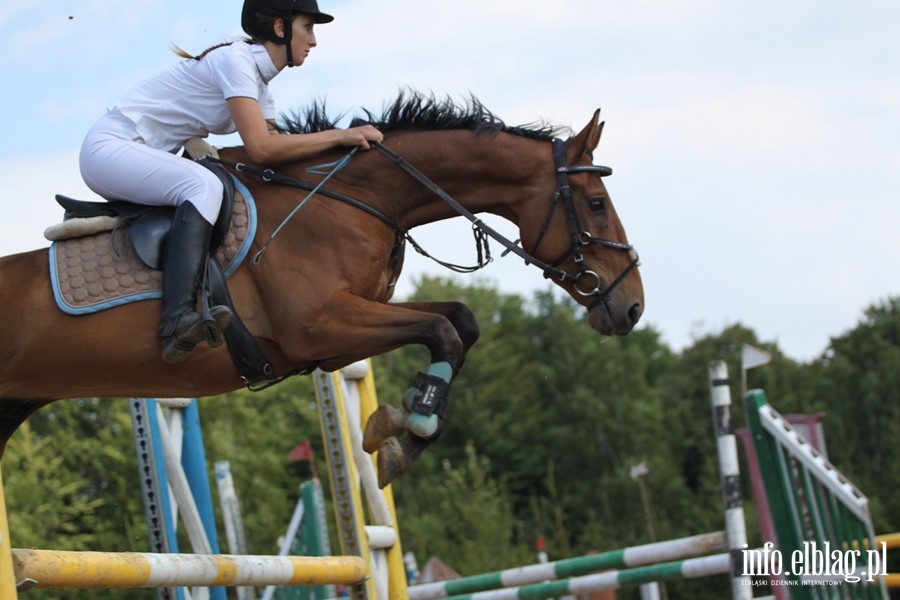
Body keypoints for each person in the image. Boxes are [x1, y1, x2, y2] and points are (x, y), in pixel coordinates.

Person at [79, 0, 382, 364]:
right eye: (309, 27)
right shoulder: (235, 61)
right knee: (202, 186)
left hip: (139, 153)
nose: (314, 40)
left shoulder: (260, 87)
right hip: (111, 150)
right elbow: (263, 149)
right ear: (280, 28)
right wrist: (340, 136)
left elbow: (279, 151)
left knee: (211, 183)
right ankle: (177, 320)